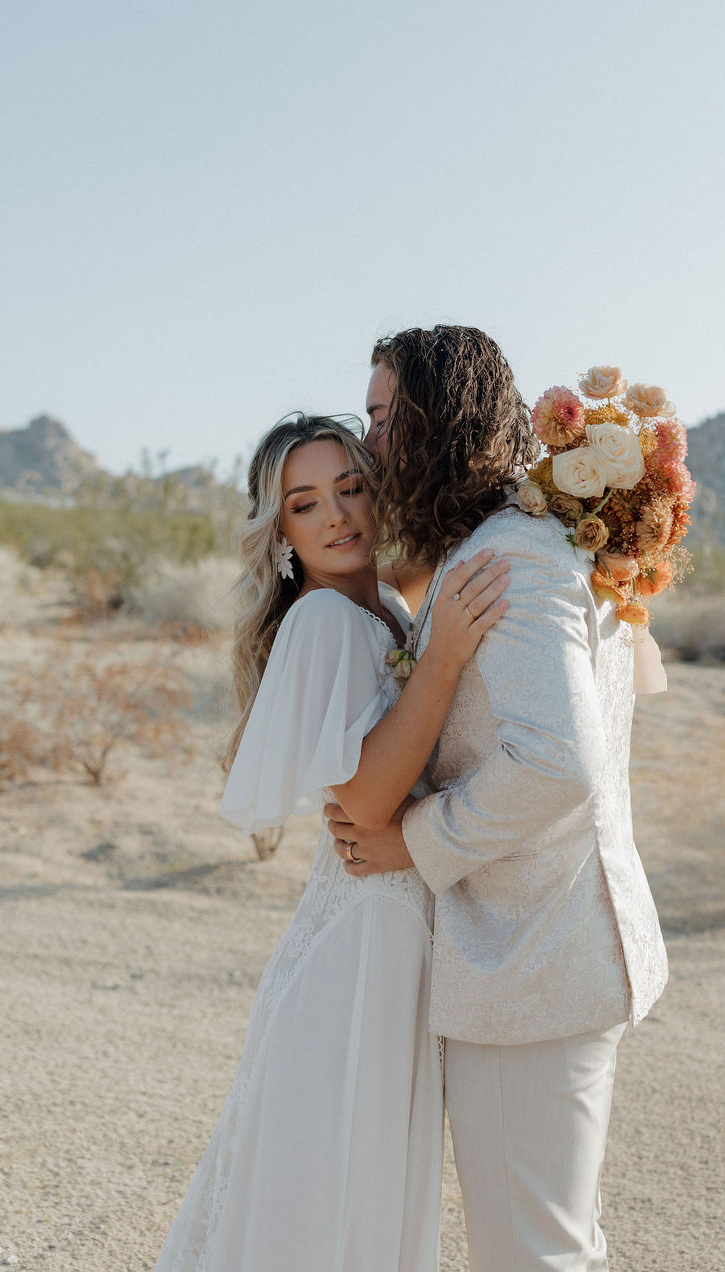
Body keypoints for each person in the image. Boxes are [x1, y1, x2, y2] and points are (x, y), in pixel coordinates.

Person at [325, 327, 669, 1272]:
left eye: (389, 420)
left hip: (538, 958)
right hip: (539, 951)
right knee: (557, 1243)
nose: (373, 444)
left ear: (442, 425)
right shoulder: (512, 544)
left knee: (531, 1255)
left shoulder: (511, 555)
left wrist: (416, 842)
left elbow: (560, 762)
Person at [153, 413, 509, 1272]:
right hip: (354, 958)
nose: (339, 516)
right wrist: (446, 657)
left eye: (352, 488)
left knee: (361, 1196)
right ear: (280, 534)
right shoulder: (320, 624)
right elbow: (367, 798)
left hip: (392, 944)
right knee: (324, 1197)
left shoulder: (383, 609)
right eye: (306, 504)